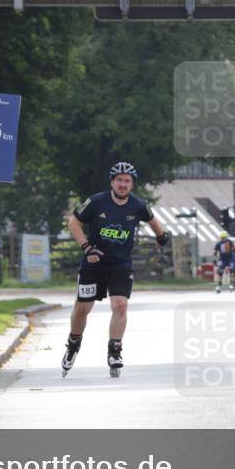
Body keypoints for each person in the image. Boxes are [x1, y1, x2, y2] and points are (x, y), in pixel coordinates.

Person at [61, 161, 169, 378]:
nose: (123, 184)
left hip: (120, 265)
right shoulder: (96, 201)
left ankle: (115, 351)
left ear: (132, 185)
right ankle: (73, 343)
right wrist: (86, 246)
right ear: (112, 182)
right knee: (83, 309)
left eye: (127, 181)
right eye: (119, 180)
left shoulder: (137, 205)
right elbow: (74, 223)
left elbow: (153, 221)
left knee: (120, 305)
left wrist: (162, 236)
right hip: (93, 263)